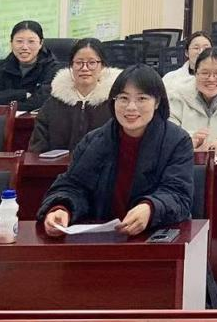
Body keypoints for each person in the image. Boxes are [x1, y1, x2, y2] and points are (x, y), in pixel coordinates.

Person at [38, 66, 193, 237]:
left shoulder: (177, 141)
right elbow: (73, 185)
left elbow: (178, 194)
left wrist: (150, 208)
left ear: (157, 102)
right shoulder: (94, 141)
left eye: (142, 98)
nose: (131, 107)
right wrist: (61, 208)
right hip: (102, 238)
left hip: (153, 237)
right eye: (123, 98)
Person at [28, 38, 116, 154]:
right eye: (79, 63)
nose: (85, 68)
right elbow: (37, 148)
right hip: (57, 165)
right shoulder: (54, 103)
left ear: (103, 66)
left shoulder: (114, 103)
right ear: (71, 65)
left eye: (92, 63)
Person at [0, 19, 57, 109]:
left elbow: (40, 102)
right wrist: (22, 94)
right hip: (6, 117)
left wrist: (5, 102)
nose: (24, 47)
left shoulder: (53, 69)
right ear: (11, 43)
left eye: (31, 41)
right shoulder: (4, 67)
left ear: (41, 43)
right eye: (19, 41)